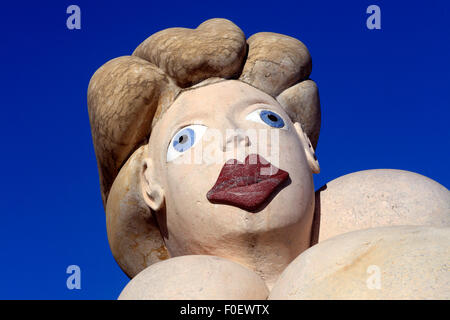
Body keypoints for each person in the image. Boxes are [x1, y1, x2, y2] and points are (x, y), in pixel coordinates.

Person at [87, 18, 449, 299]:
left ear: (306, 145)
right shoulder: (173, 290)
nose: (235, 139)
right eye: (187, 138)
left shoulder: (402, 211)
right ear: (151, 184)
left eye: (266, 118)